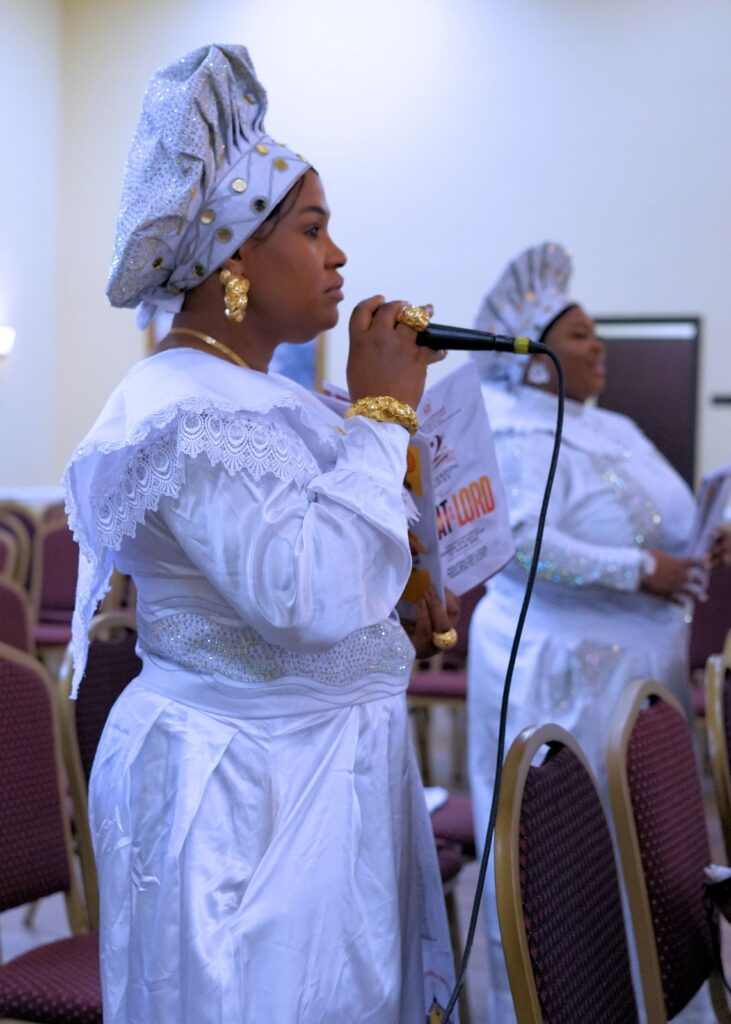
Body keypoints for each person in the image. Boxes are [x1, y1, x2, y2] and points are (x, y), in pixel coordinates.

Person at [64, 44, 459, 1023]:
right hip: (242, 792)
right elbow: (301, 593)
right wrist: (380, 413)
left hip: (328, 772)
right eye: (313, 230)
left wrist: (393, 615)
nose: (339, 257)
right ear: (233, 254)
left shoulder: (274, 401)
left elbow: (333, 592)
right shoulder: (179, 406)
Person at [467, 241, 717, 1023]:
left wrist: (698, 543)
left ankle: (653, 998)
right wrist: (640, 570)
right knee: (565, 857)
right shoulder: (508, 425)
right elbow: (517, 542)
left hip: (640, 662)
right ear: (534, 355)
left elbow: (656, 520)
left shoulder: (610, 424)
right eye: (578, 335)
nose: (598, 346)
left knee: (646, 844)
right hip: (560, 661)